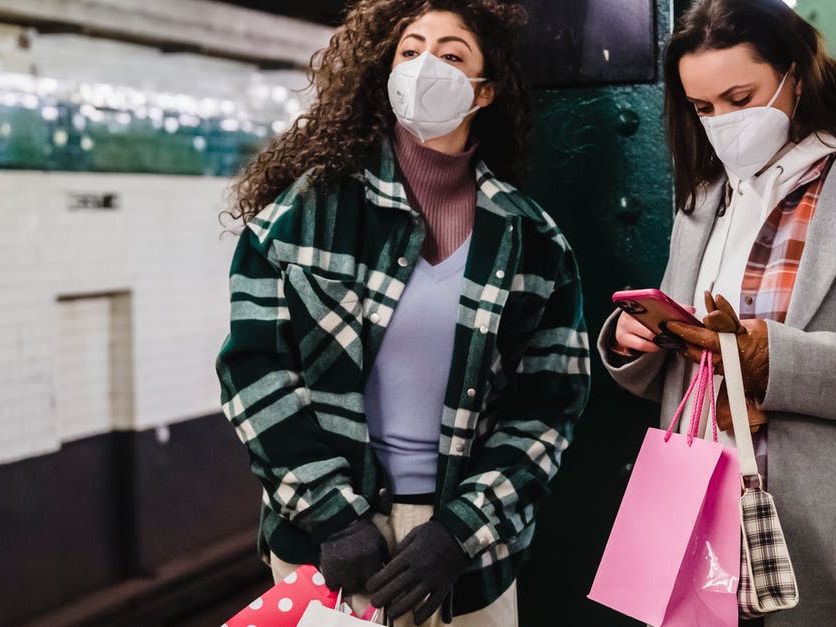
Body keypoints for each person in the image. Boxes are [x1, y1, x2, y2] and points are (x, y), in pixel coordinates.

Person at [599, 1, 836, 625]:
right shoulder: (704, 202)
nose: (722, 123)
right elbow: (687, 357)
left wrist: (781, 360)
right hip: (703, 526)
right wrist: (637, 338)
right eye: (703, 109)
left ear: (796, 76)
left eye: (740, 96)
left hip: (835, 531)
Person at [216, 1, 590, 625]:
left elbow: (549, 404)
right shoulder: (305, 214)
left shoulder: (532, 239)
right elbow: (254, 373)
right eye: (410, 51)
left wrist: (460, 531)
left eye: (450, 55)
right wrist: (333, 517)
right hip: (332, 545)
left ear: (485, 91)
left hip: (464, 554)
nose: (424, 67)